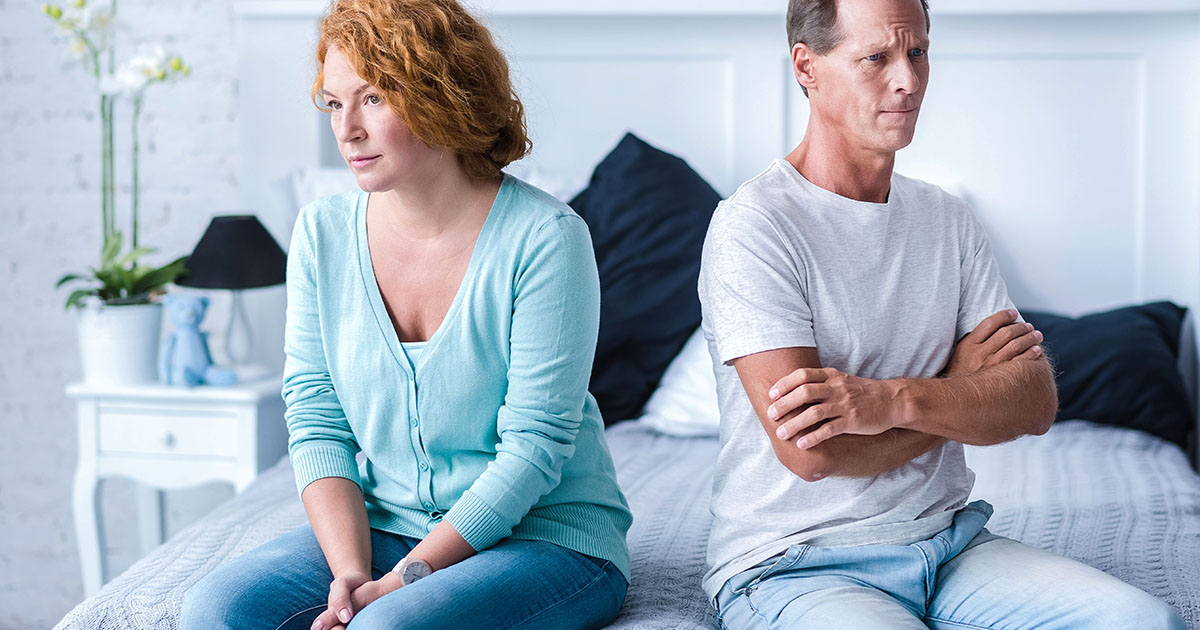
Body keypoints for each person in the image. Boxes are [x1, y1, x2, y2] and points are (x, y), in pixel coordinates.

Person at [697, 0, 1188, 628]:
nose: (907, 79)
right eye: (876, 58)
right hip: (797, 562)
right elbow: (815, 454)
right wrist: (960, 392)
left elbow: (1033, 401)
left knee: (1149, 622)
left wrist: (891, 402)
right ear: (806, 66)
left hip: (951, 544)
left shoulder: (946, 219)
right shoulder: (755, 227)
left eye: (918, 52)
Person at [178, 1, 631, 628]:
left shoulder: (546, 238)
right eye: (334, 103)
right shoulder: (321, 234)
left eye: (373, 99)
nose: (346, 130)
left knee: (387, 626)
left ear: (442, 96)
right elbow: (316, 418)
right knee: (214, 610)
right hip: (387, 528)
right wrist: (351, 574)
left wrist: (401, 583)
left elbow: (533, 449)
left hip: (547, 536)